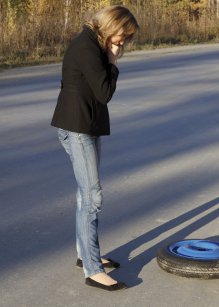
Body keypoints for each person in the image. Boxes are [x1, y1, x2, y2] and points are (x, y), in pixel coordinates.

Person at [51, 5, 139, 291]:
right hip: (78, 129)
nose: (123, 41)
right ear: (113, 26)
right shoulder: (88, 46)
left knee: (85, 194)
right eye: (123, 35)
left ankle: (84, 254)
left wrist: (109, 56)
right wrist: (113, 61)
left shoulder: (91, 42)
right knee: (92, 197)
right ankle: (92, 268)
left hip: (84, 125)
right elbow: (104, 92)